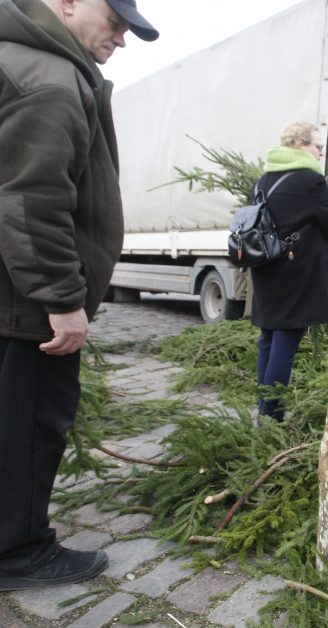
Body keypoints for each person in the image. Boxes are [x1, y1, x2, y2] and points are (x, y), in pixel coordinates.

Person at [0, 0, 158, 591]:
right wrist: (63, 301)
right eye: (114, 21)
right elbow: (31, 201)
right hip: (26, 305)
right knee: (30, 424)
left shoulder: (27, 60)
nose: (121, 37)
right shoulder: (49, 79)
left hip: (14, 294)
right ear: (65, 3)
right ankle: (19, 552)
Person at [251, 122, 328, 421]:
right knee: (286, 339)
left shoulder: (263, 179)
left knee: (269, 336)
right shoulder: (309, 180)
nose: (320, 153)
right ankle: (272, 415)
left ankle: (264, 409)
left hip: (267, 268)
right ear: (301, 145)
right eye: (318, 147)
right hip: (296, 269)